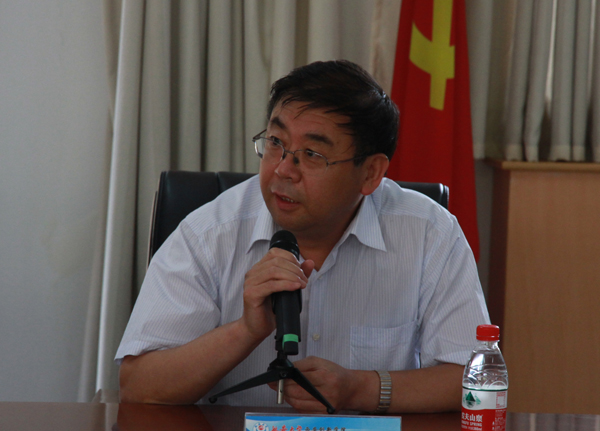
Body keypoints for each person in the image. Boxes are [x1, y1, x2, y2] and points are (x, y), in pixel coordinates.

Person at [116, 60, 490, 414]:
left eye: (311, 154)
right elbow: (138, 386)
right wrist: (245, 331)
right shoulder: (209, 233)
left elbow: (476, 380)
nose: (283, 169)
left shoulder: (428, 234)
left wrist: (360, 389)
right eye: (275, 142)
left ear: (370, 173)